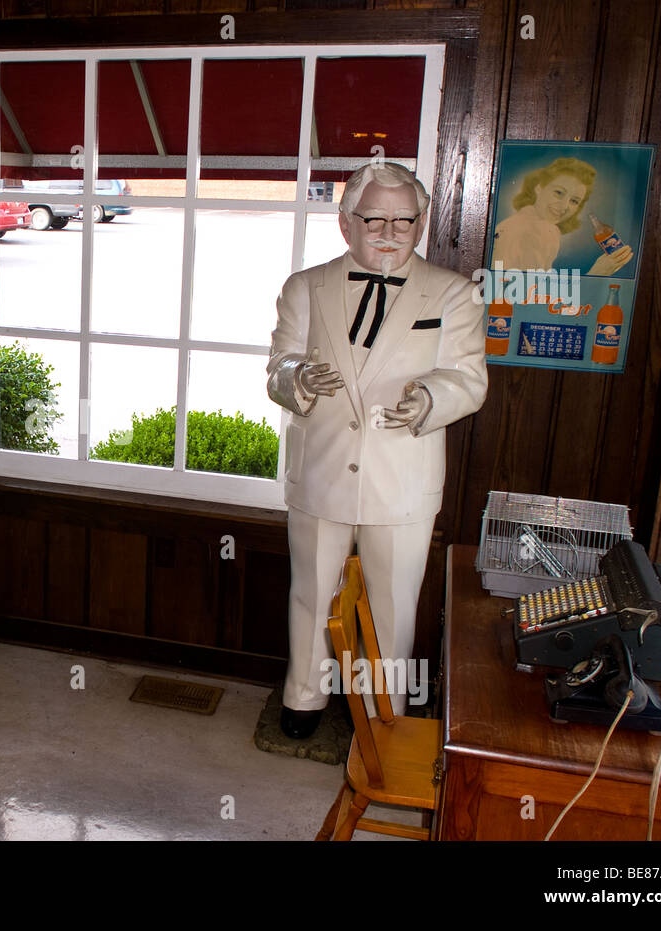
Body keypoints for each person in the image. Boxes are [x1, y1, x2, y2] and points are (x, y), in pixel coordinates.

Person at [266, 162, 488, 739]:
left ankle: (383, 710)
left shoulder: (454, 293)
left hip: (403, 477)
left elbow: (469, 379)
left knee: (393, 604)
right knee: (312, 592)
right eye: (374, 220)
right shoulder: (304, 287)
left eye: (404, 221)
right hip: (321, 470)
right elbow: (278, 365)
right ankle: (303, 697)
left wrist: (430, 398)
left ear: (422, 224)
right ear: (345, 224)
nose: (390, 232)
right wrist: (297, 379)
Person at [491, 156, 633, 276]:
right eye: (558, 192)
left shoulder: (549, 230)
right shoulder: (527, 230)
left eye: (574, 201)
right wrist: (597, 273)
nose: (565, 206)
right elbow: (528, 302)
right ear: (539, 188)